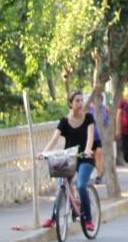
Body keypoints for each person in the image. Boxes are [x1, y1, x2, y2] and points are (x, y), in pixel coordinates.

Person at [42, 89, 99, 231]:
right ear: (70, 104)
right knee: (62, 185)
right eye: (77, 101)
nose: (80, 103)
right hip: (70, 158)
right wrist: (44, 153)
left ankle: (89, 220)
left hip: (85, 158)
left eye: (81, 100)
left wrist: (87, 150)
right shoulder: (64, 121)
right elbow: (54, 139)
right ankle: (53, 218)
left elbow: (90, 136)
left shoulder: (89, 118)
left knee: (80, 186)